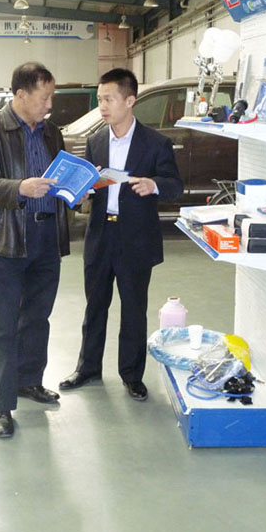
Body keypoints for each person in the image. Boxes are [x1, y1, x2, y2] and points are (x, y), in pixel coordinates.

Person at [59, 68, 183, 401]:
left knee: (133, 310)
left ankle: (131, 375)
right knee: (95, 306)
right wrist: (82, 192)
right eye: (100, 99)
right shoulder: (96, 141)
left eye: (109, 99)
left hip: (136, 238)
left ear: (130, 101)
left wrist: (154, 184)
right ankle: (87, 368)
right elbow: (90, 186)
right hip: (101, 233)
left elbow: (175, 185)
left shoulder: (155, 143)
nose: (102, 106)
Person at [0, 62, 70, 438]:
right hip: (8, 240)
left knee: (37, 318)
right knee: (2, 325)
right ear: (22, 95)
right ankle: (1, 404)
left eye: (52, 97)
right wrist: (19, 188)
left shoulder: (52, 133)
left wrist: (77, 189)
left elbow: (59, 178)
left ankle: (29, 381)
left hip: (47, 237)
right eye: (45, 97)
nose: (50, 105)